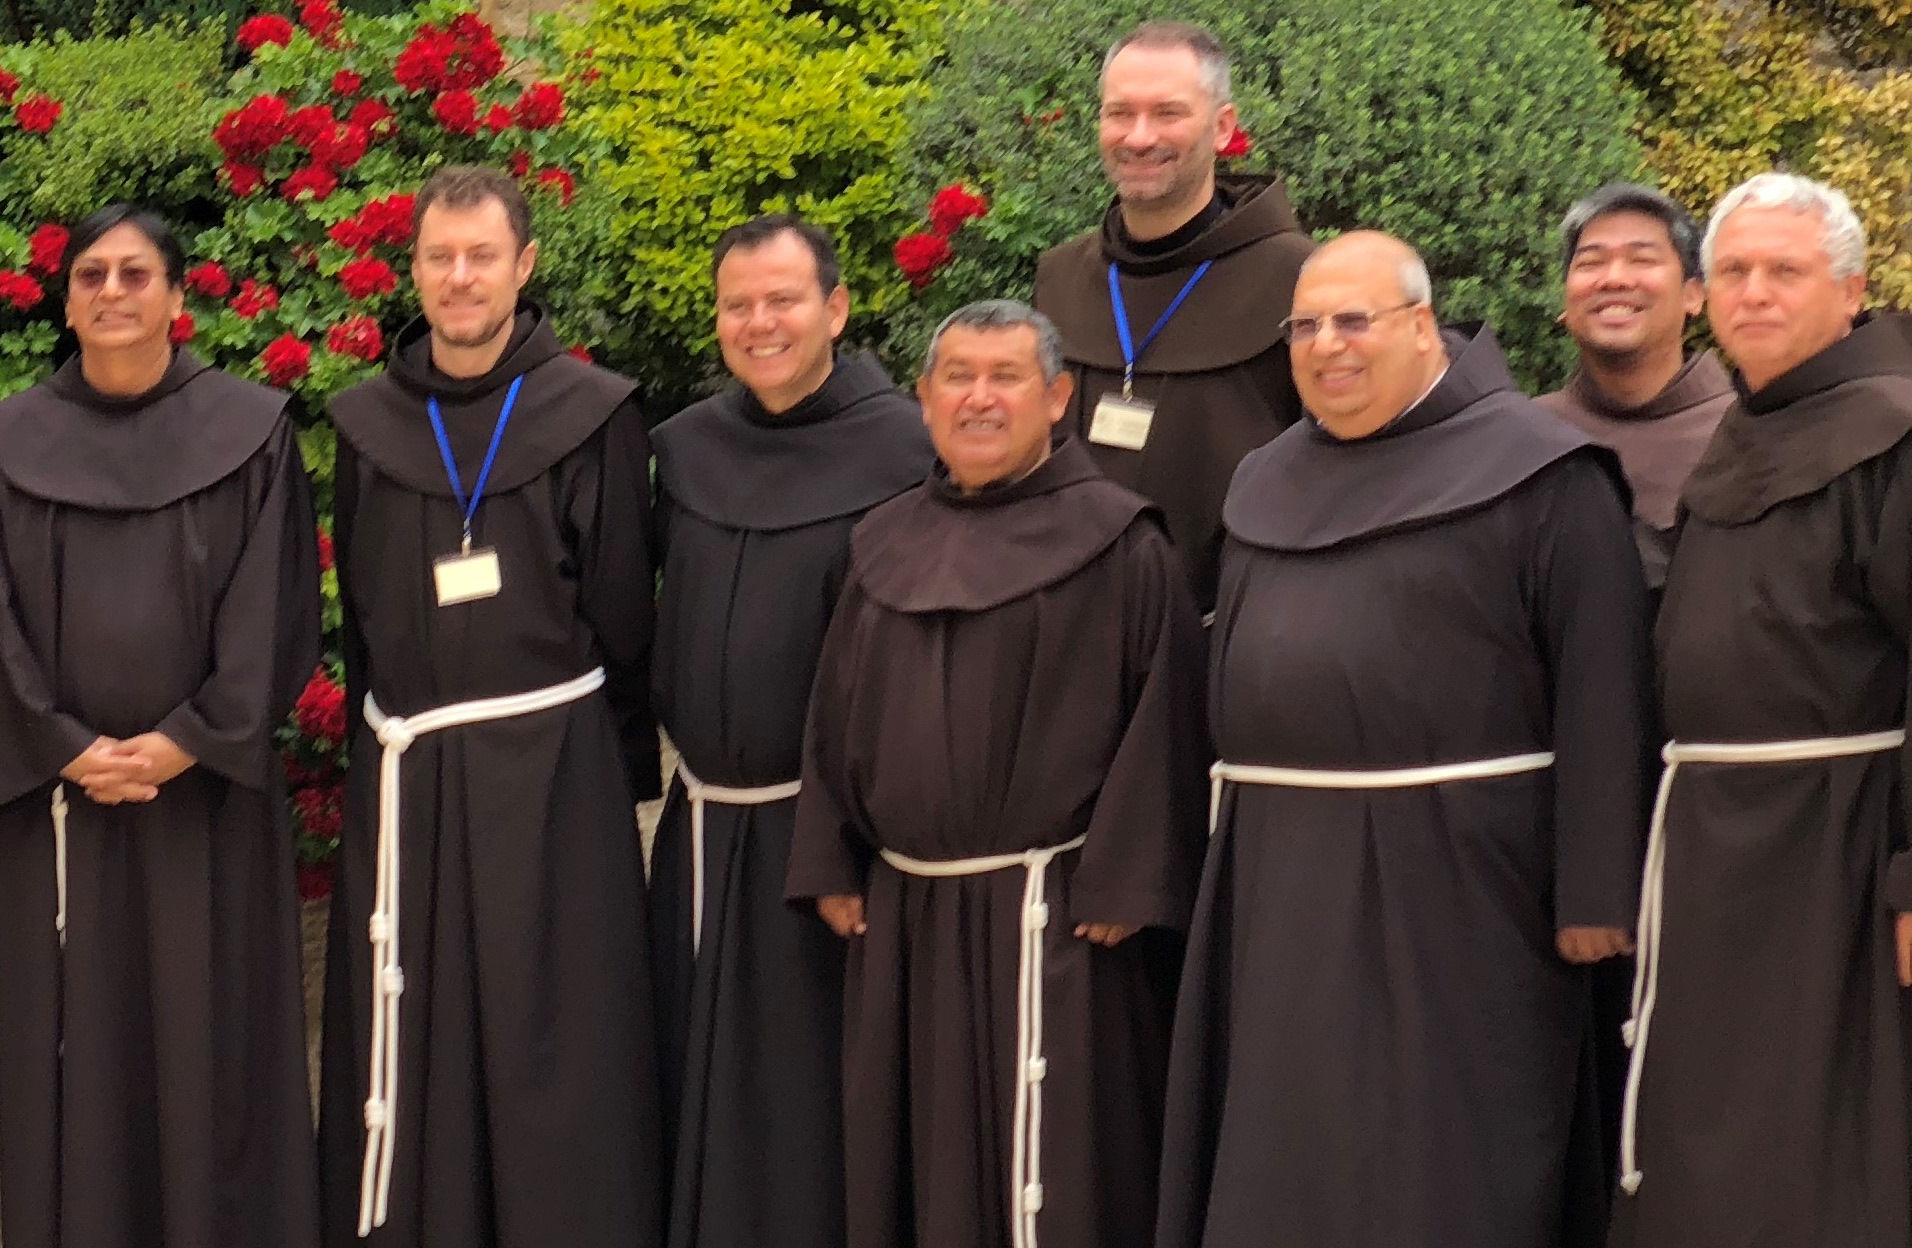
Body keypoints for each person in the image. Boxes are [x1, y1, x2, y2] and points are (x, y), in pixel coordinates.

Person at [1158, 232, 1649, 1248]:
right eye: (1305, 326)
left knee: (1437, 1157)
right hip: (1277, 875)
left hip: (1465, 884)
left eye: (1354, 320)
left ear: (1424, 327)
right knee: (1284, 1148)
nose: (1326, 345)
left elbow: (1605, 684)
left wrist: (1597, 895)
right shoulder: (1264, 478)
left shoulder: (1542, 470)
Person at [785, 299, 1206, 1248]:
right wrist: (829, 855)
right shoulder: (880, 543)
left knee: (1061, 1169)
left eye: (1005, 378)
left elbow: (1169, 718)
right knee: (914, 1157)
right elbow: (833, 712)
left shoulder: (1122, 542)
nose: (979, 399)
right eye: (958, 379)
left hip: (1055, 917)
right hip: (907, 916)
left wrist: (1130, 876)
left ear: (1056, 397)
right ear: (923, 399)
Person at [0, 205, 320, 1248]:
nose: (111, 291)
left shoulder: (251, 433)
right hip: (61, 809)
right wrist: (61, 745)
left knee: (217, 1051)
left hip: (205, 807)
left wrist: (189, 738)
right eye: (90, 276)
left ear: (176, 296)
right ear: (66, 304)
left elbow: (274, 605)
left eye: (134, 273)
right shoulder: (1, 444)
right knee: (71, 1053)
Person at [316, 166, 660, 1248]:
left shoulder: (593, 413)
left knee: (556, 1033)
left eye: (481, 256)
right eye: (439, 257)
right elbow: (363, 617)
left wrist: (605, 770)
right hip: (413, 775)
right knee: (419, 1024)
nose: (459, 278)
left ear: (525, 265)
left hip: (555, 771)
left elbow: (624, 612)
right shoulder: (367, 425)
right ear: (413, 270)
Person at [1610, 175, 1912, 1245]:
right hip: (1712, 837)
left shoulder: (1892, 431)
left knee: (1820, 1137)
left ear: (1852, 291)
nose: (1754, 293)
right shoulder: (1748, 425)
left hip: (1840, 842)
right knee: (1711, 1127)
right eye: (1733, 270)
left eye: (1785, 271)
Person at [651, 216, 933, 1248]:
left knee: (809, 1097)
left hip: (829, 838)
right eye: (738, 306)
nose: (759, 323)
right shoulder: (686, 446)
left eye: (783, 301)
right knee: (696, 1075)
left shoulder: (906, 450)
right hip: (701, 825)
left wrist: (851, 836)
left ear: (837, 308)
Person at [1031, 23, 1309, 606]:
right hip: (1069, 615)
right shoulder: (1060, 277)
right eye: (1120, 113)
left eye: (1167, 113)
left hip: (1226, 624)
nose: (1138, 137)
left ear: (1223, 126)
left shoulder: (1300, 281)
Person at [1532, 185, 1735, 590]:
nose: (1614, 279)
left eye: (1642, 259)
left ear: (1694, 296)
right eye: (1591, 262)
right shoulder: (1526, 435)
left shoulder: (1745, 434)